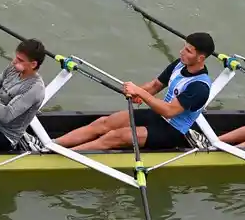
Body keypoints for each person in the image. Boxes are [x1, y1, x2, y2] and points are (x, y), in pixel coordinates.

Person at [55, 32, 215, 151]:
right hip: (157, 116)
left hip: (172, 131)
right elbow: (154, 86)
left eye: (188, 51)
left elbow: (169, 111)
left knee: (115, 136)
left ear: (200, 58)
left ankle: (65, 155)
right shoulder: (180, 64)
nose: (181, 52)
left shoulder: (199, 87)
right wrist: (136, 93)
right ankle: (53, 144)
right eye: (184, 48)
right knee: (105, 122)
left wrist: (140, 92)